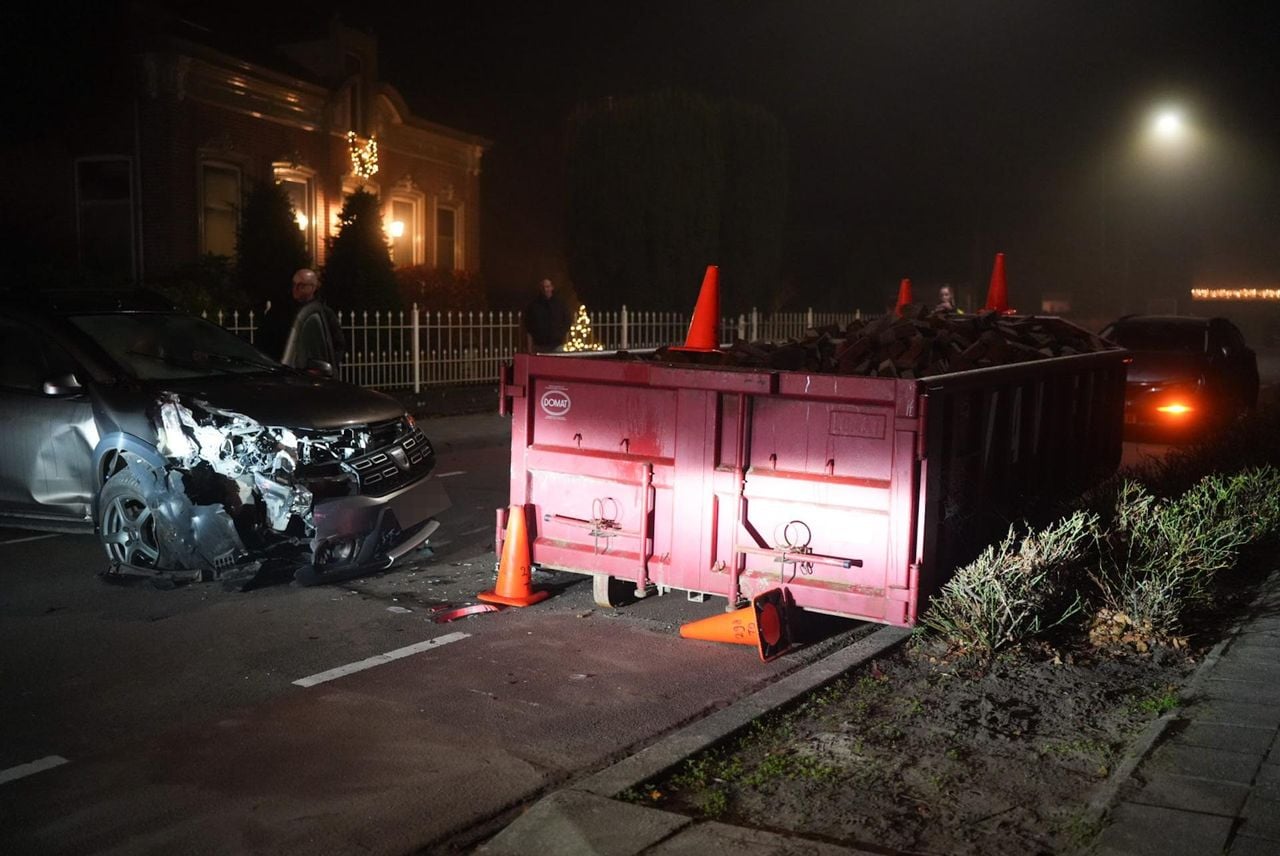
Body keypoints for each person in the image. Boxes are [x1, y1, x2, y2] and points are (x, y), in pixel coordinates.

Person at [281, 268, 346, 371]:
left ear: (313, 288)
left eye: (301, 285)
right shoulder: (284, 312)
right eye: (294, 284)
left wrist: (327, 365)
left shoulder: (324, 313)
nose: (296, 289)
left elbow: (338, 344)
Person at [523, 277, 571, 353]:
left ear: (552, 287)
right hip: (539, 345)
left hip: (556, 345)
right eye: (543, 287)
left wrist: (560, 335)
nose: (545, 289)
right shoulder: (534, 306)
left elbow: (567, 321)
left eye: (547, 287)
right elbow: (529, 326)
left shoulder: (560, 304)